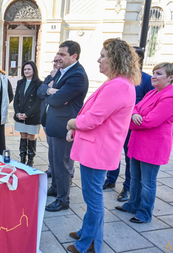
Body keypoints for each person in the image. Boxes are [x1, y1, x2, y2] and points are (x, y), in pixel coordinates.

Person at [66, 38, 140, 253]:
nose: (99, 60)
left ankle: (90, 243)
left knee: (93, 198)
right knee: (92, 196)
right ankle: (86, 232)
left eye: (103, 56)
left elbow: (92, 119)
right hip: (98, 148)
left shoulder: (118, 85)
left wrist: (72, 123)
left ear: (115, 59)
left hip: (97, 150)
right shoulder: (119, 83)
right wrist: (76, 126)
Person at [116, 62, 173, 224]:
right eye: (154, 73)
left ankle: (144, 213)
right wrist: (134, 114)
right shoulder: (153, 93)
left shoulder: (170, 96)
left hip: (153, 146)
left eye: (159, 74)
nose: (154, 76)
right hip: (138, 142)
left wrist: (131, 120)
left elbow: (150, 121)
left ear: (170, 78)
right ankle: (133, 204)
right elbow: (135, 107)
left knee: (147, 182)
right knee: (135, 177)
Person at [37, 40, 89, 212]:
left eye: (62, 54)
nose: (58, 57)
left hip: (63, 126)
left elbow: (57, 99)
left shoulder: (77, 75)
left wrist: (51, 93)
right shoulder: (61, 71)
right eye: (58, 53)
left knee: (62, 164)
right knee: (53, 162)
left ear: (74, 56)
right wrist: (50, 91)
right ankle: (56, 188)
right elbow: (42, 90)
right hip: (53, 123)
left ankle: (63, 200)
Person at [103, 46, 154, 202]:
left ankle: (127, 188)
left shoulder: (146, 79)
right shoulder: (118, 78)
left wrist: (135, 113)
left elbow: (149, 104)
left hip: (132, 127)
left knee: (129, 158)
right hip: (117, 125)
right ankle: (110, 179)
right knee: (113, 153)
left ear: (136, 59)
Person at [13, 61, 42, 166]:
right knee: (23, 136)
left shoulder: (39, 83)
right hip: (20, 116)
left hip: (32, 116)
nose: (26, 71)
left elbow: (38, 102)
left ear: (34, 70)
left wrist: (27, 114)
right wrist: (17, 113)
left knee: (31, 137)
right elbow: (16, 100)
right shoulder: (20, 82)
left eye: (29, 69)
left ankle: (30, 161)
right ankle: (22, 159)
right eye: (25, 69)